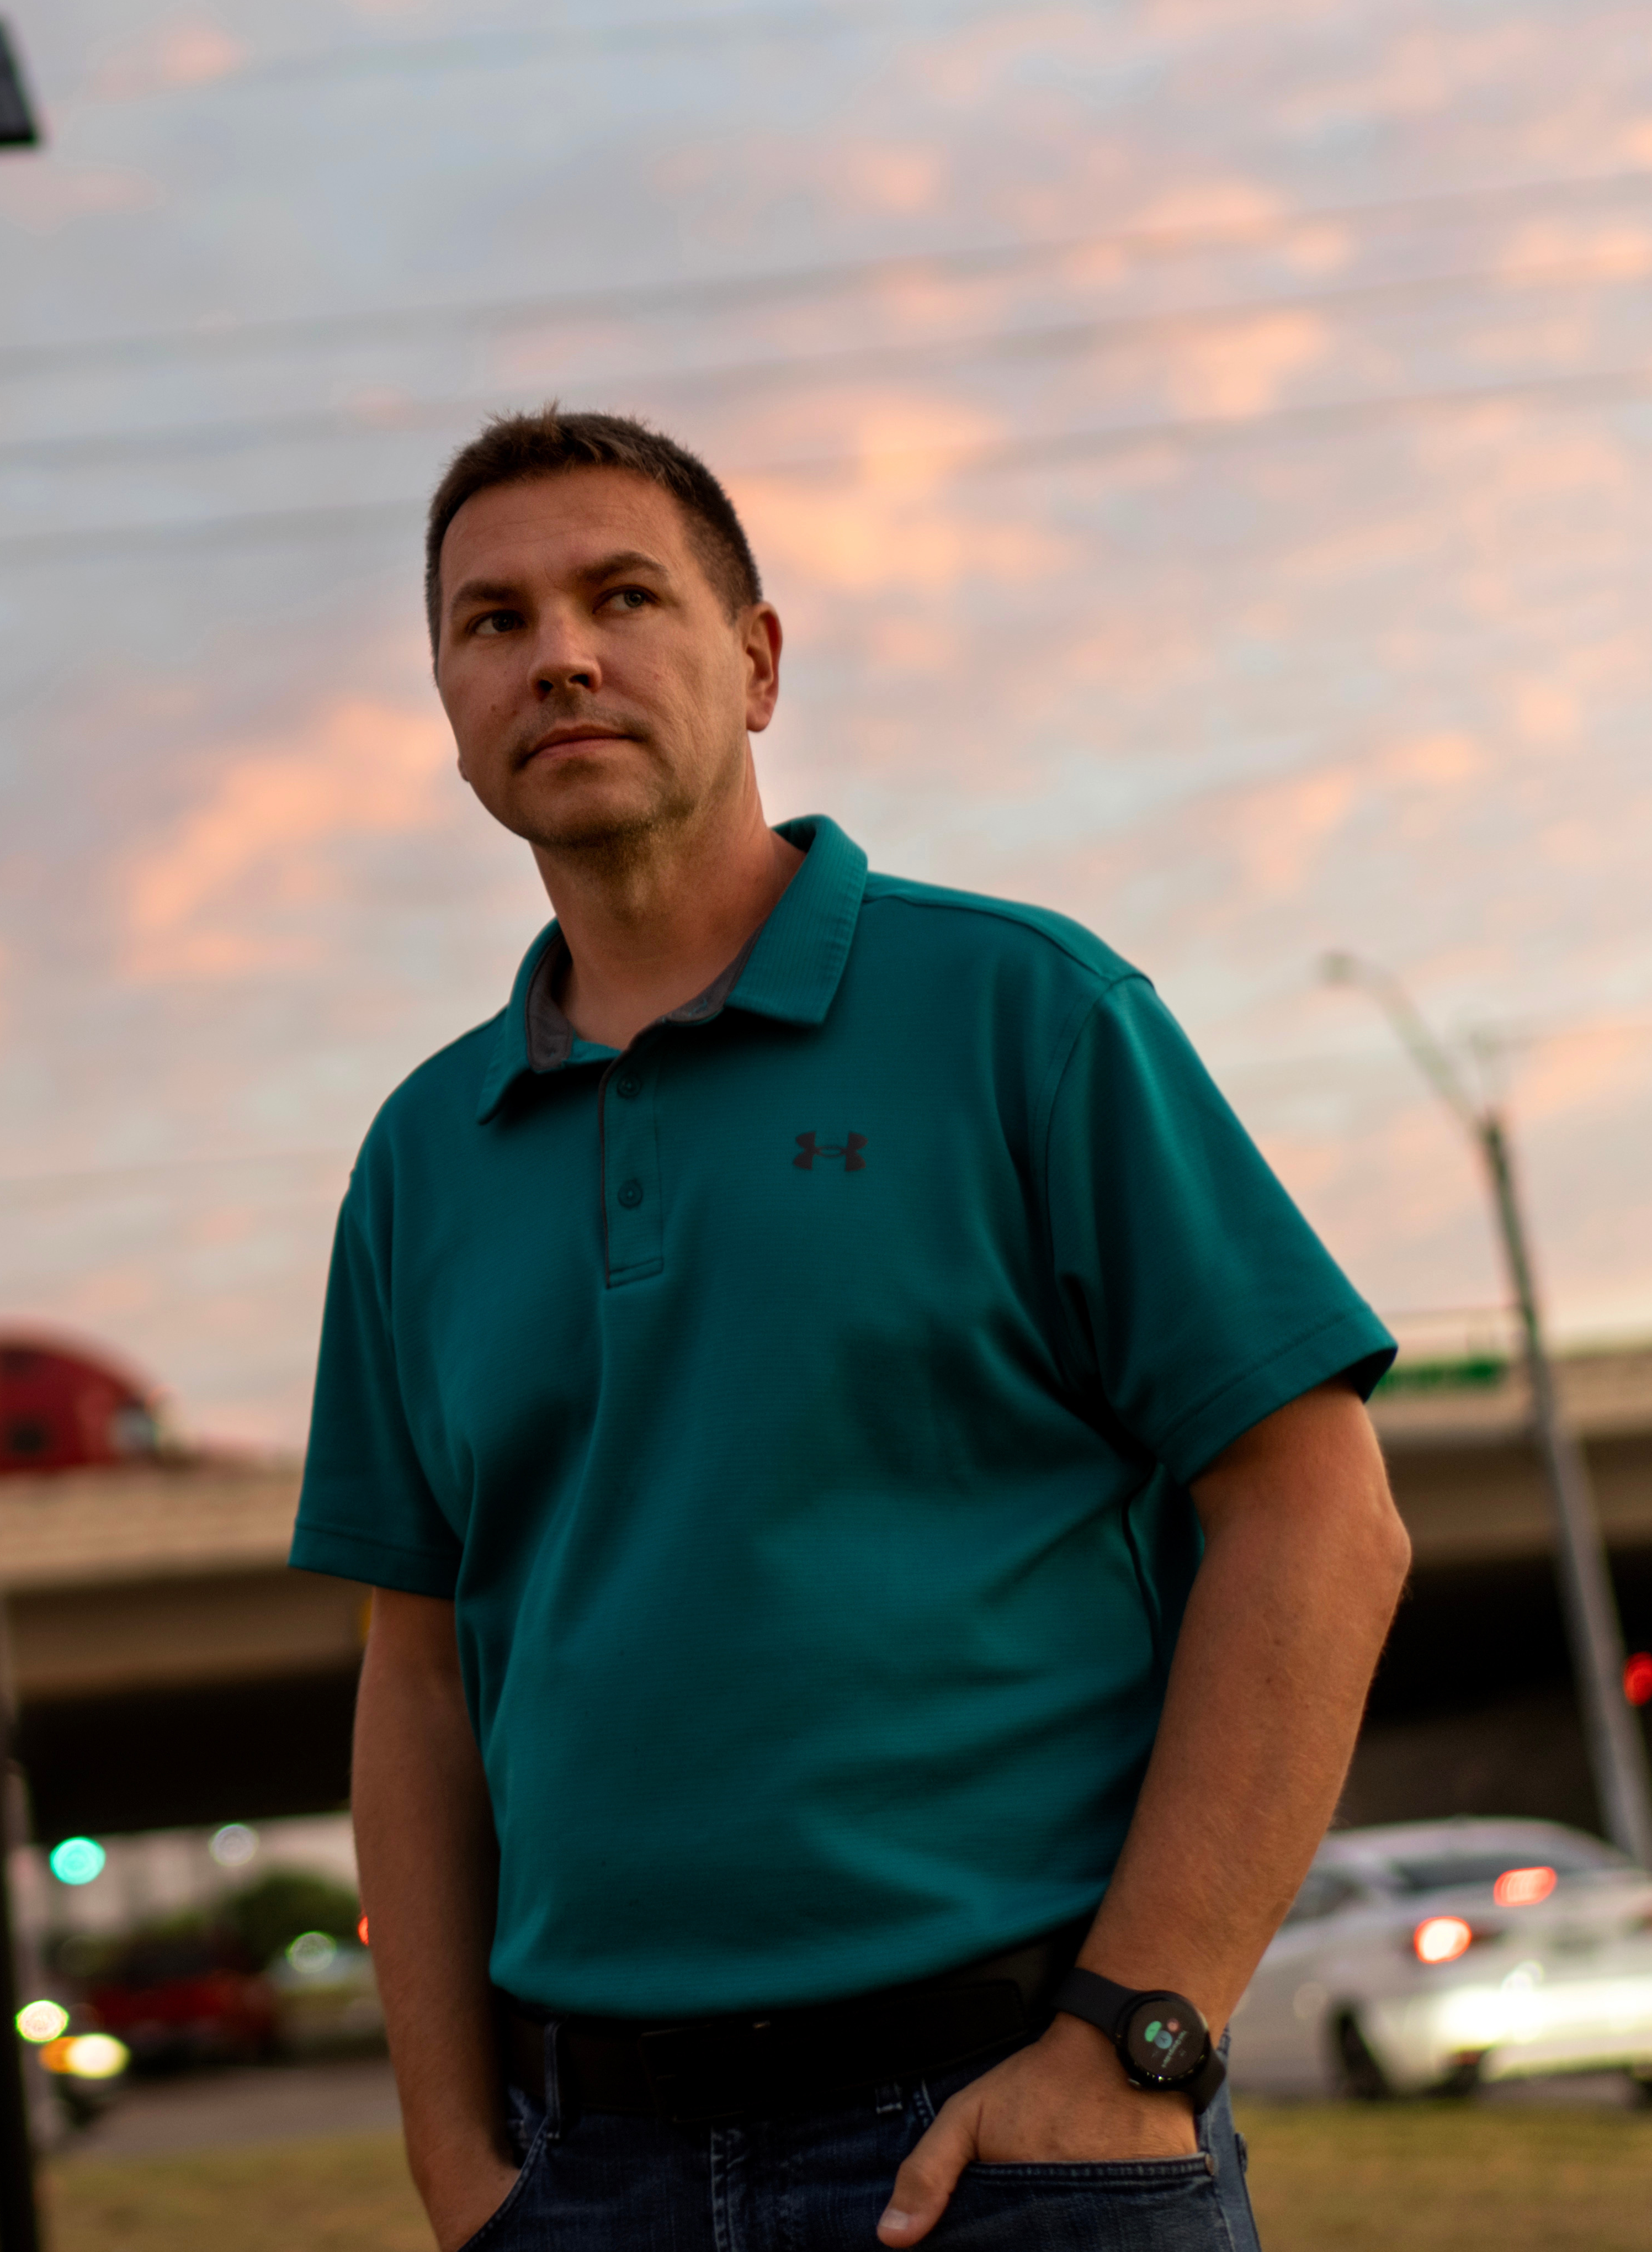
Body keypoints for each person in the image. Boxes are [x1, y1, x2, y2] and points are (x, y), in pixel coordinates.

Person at [292, 409, 1414, 2250]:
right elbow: (414, 1680)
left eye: (621, 594)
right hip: (590, 2174)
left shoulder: (1019, 1012)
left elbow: (1316, 1515)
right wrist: (455, 2158)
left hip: (1007, 2142)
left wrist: (1135, 2037)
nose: (556, 650)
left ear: (753, 663)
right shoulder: (421, 1158)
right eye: (489, 622)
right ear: (446, 700)